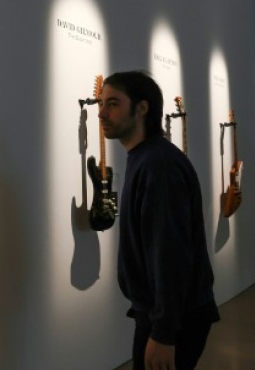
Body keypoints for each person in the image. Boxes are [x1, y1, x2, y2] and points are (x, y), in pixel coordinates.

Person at [98, 71, 219, 370]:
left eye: (113, 103)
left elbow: (169, 252)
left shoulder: (158, 165)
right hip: (160, 313)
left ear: (142, 108)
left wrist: (164, 331)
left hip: (173, 319)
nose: (101, 113)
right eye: (101, 104)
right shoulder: (145, 158)